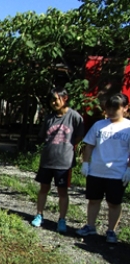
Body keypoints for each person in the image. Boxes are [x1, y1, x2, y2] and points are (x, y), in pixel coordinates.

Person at [76, 93, 130, 243]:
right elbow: (89, 145)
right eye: (109, 108)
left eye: (115, 108)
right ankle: (90, 226)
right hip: (96, 171)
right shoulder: (99, 125)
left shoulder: (128, 127)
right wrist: (86, 163)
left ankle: (111, 230)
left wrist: (129, 169)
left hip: (117, 173)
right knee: (94, 200)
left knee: (114, 203)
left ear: (125, 108)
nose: (111, 111)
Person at [31, 87, 85, 233]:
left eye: (56, 99)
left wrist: (69, 147)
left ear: (65, 98)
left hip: (64, 162)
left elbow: (79, 136)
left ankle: (61, 219)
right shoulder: (49, 118)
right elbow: (44, 137)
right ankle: (39, 214)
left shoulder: (74, 116)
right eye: (51, 100)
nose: (54, 103)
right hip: (47, 160)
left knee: (62, 192)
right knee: (43, 189)